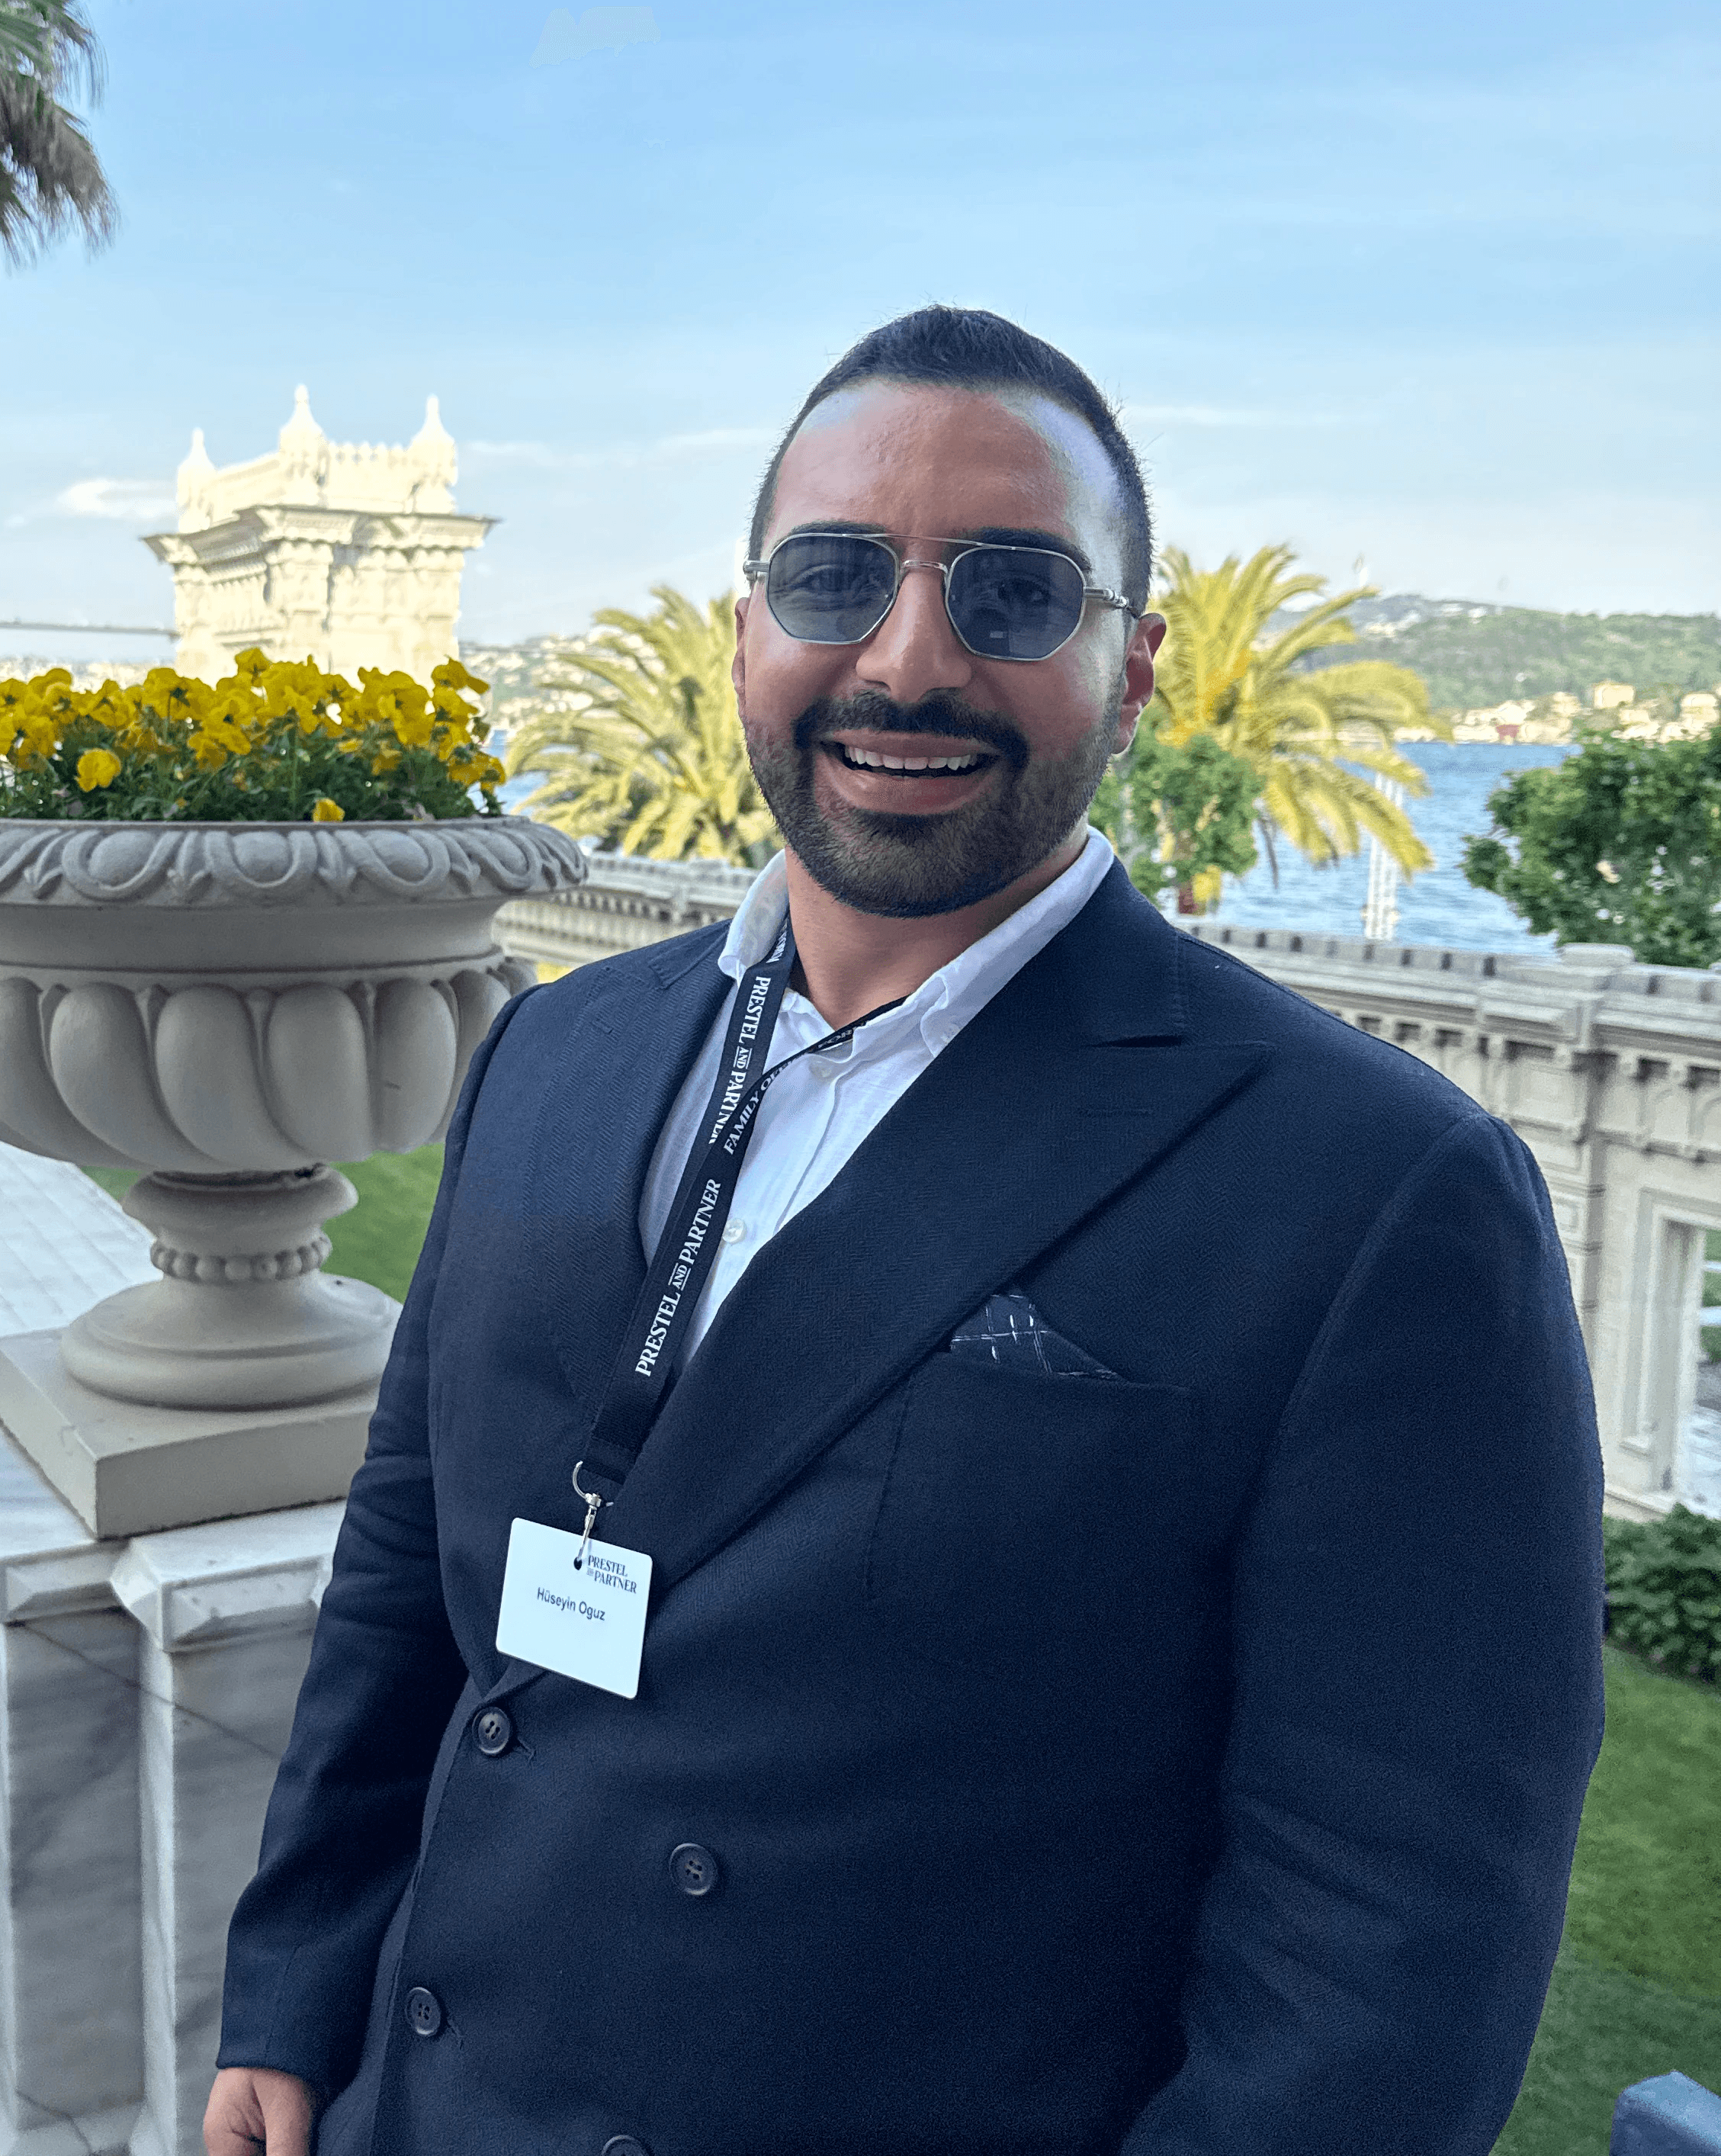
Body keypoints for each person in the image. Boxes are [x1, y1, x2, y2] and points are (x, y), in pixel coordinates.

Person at [206, 307, 1603, 2156]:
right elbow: (409, 1566)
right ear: (744, 628)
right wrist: (292, 2005)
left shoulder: (1373, 1194)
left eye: (1017, 592)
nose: (911, 657)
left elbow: (1385, 1955)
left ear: (1136, 664)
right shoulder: (559, 1046)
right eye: (835, 576)